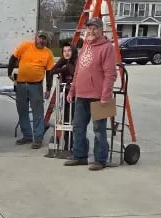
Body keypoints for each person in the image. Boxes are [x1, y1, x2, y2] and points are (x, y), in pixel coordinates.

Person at [64, 17, 119, 171]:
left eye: (95, 28)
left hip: (99, 96)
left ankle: (100, 160)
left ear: (101, 30)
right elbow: (78, 71)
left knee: (99, 130)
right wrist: (72, 90)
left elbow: (110, 74)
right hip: (81, 95)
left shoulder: (107, 47)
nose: (91, 31)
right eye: (89, 28)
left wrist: (105, 96)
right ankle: (79, 156)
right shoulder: (85, 45)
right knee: (78, 127)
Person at [8, 31, 57, 149]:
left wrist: (48, 88)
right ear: (36, 37)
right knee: (22, 110)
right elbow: (13, 58)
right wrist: (9, 72)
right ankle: (27, 136)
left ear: (47, 41)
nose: (42, 40)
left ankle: (38, 138)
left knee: (38, 113)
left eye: (44, 39)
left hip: (36, 86)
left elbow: (49, 72)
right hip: (21, 84)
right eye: (40, 38)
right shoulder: (25, 46)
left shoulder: (48, 53)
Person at [46, 43, 77, 155]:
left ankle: (72, 145)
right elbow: (52, 70)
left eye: (69, 50)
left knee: (73, 119)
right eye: (64, 51)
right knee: (64, 119)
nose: (67, 53)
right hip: (65, 92)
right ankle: (66, 144)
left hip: (76, 95)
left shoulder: (76, 61)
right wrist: (63, 69)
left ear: (73, 51)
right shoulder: (63, 61)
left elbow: (74, 72)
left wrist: (65, 69)